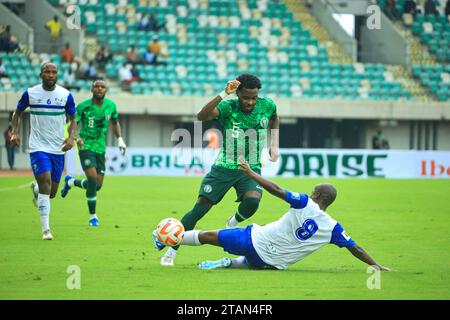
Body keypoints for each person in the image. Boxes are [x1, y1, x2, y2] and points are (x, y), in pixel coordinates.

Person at [154, 158, 391, 272]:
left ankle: (166, 238)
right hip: (271, 263)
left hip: (254, 239)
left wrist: (250, 173)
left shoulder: (305, 203)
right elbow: (355, 248)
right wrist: (377, 265)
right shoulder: (333, 228)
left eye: (313, 190)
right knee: (249, 261)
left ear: (317, 194)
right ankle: (230, 263)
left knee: (208, 236)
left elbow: (276, 190)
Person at [157, 74, 280, 266]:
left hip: (251, 167)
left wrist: (275, 144)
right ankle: (171, 252)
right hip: (224, 167)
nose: (250, 102)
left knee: (252, 203)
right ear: (238, 93)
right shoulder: (228, 106)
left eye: (253, 98)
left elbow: (274, 119)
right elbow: (201, 116)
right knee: (199, 210)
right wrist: (224, 93)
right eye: (246, 97)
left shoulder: (268, 105)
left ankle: (233, 221)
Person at [10, 62, 77, 240]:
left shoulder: (65, 95)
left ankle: (36, 189)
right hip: (38, 147)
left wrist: (71, 138)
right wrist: (15, 132)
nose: (50, 75)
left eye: (54, 72)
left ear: (57, 75)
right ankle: (46, 229)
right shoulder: (31, 93)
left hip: (58, 149)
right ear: (41, 74)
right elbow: (16, 113)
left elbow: (73, 119)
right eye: (47, 72)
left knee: (51, 192)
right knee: (46, 183)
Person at [60, 80, 126, 227]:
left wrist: (120, 139)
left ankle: (71, 182)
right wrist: (75, 137)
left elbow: (115, 122)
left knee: (97, 185)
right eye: (97, 86)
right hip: (85, 146)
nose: (99, 89)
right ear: (92, 89)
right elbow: (73, 123)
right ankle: (93, 217)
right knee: (92, 178)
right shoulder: (83, 106)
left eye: (102, 87)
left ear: (106, 90)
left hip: (101, 149)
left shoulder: (111, 106)